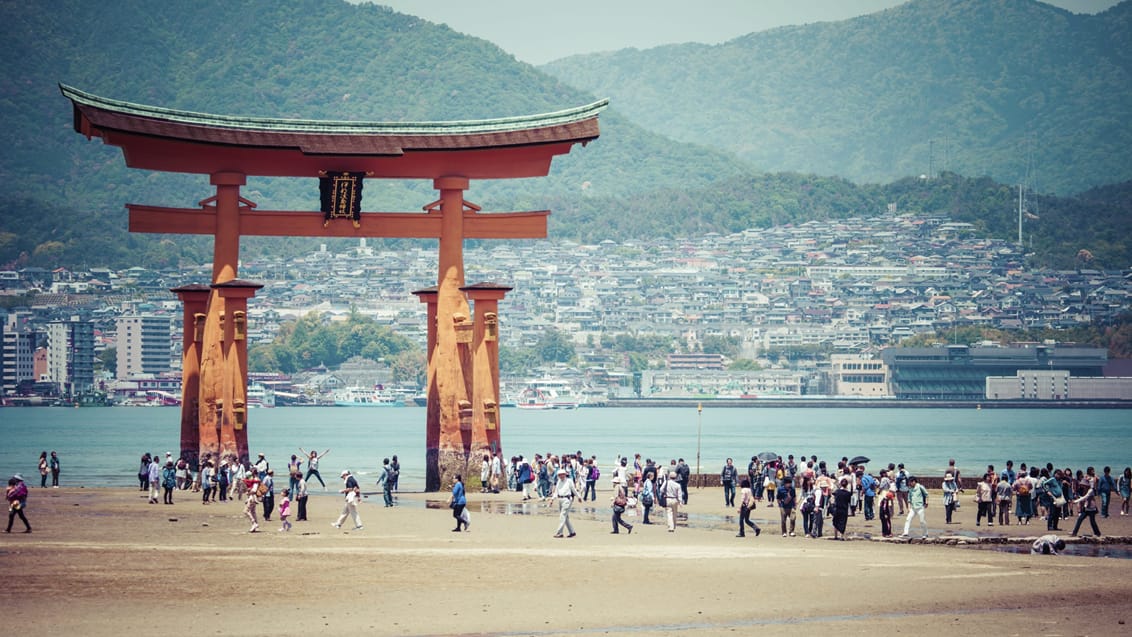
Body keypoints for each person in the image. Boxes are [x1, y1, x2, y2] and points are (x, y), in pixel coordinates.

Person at [1070, 466, 1101, 537]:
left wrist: (1075, 501)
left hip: (1091, 508)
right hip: (1087, 507)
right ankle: (1074, 533)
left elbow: (1085, 497)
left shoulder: (1091, 490)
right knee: (1081, 519)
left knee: (1091, 521)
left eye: (1085, 486)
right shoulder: (1089, 488)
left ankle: (1097, 533)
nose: (1084, 487)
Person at [901, 475, 929, 539]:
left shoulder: (920, 487)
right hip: (913, 508)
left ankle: (925, 534)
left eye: (910, 482)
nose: (909, 484)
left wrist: (927, 502)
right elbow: (909, 499)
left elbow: (926, 494)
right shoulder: (910, 489)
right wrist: (908, 508)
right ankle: (905, 533)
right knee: (908, 519)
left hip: (920, 507)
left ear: (914, 482)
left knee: (922, 521)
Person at [552, 467, 577, 538]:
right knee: (565, 517)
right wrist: (552, 499)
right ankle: (572, 532)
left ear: (565, 474)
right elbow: (556, 491)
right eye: (559, 475)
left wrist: (579, 497)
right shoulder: (559, 481)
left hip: (567, 500)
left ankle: (560, 533)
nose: (561, 476)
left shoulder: (569, 481)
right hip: (560, 499)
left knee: (562, 516)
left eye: (562, 474)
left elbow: (573, 489)